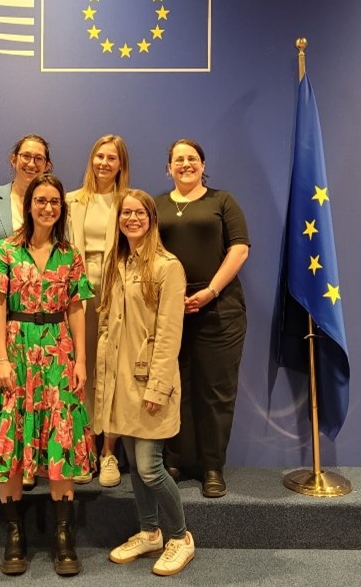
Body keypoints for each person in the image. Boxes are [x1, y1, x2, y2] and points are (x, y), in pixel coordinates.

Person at [0, 173, 96, 577]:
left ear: (61, 207)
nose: (47, 207)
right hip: (17, 351)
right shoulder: (7, 249)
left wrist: (80, 361)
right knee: (12, 435)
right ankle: (15, 535)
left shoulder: (70, 254)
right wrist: (1, 359)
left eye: (54, 202)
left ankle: (63, 537)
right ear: (29, 205)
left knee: (61, 436)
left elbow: (77, 308)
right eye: (41, 200)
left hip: (58, 351)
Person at [95, 189, 196, 576]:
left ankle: (180, 536)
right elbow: (108, 322)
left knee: (151, 467)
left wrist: (156, 387)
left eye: (139, 213)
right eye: (126, 213)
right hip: (120, 382)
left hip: (150, 381)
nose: (131, 219)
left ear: (152, 219)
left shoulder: (168, 267)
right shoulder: (117, 263)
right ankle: (149, 531)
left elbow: (169, 334)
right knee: (135, 468)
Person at [154, 139, 250, 498]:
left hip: (219, 307)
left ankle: (212, 466)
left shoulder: (222, 201)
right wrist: (169, 296)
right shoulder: (157, 205)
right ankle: (178, 460)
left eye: (192, 158)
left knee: (215, 391)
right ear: (169, 168)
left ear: (203, 164)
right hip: (170, 308)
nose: (185, 164)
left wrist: (209, 291)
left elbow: (239, 249)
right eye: (178, 160)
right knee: (175, 388)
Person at [0, 134, 51, 492]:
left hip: (34, 321)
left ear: (47, 165)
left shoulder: (49, 203)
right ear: (13, 158)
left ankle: (27, 463)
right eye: (25, 156)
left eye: (39, 158)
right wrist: (3, 287)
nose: (31, 163)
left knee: (30, 394)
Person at [65, 134, 130, 487]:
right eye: (99, 156)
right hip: (76, 299)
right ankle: (83, 449)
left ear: (121, 164)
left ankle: (108, 453)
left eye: (112, 158)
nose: (104, 163)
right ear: (92, 159)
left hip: (115, 296)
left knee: (112, 372)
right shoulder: (70, 201)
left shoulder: (129, 202)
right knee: (81, 372)